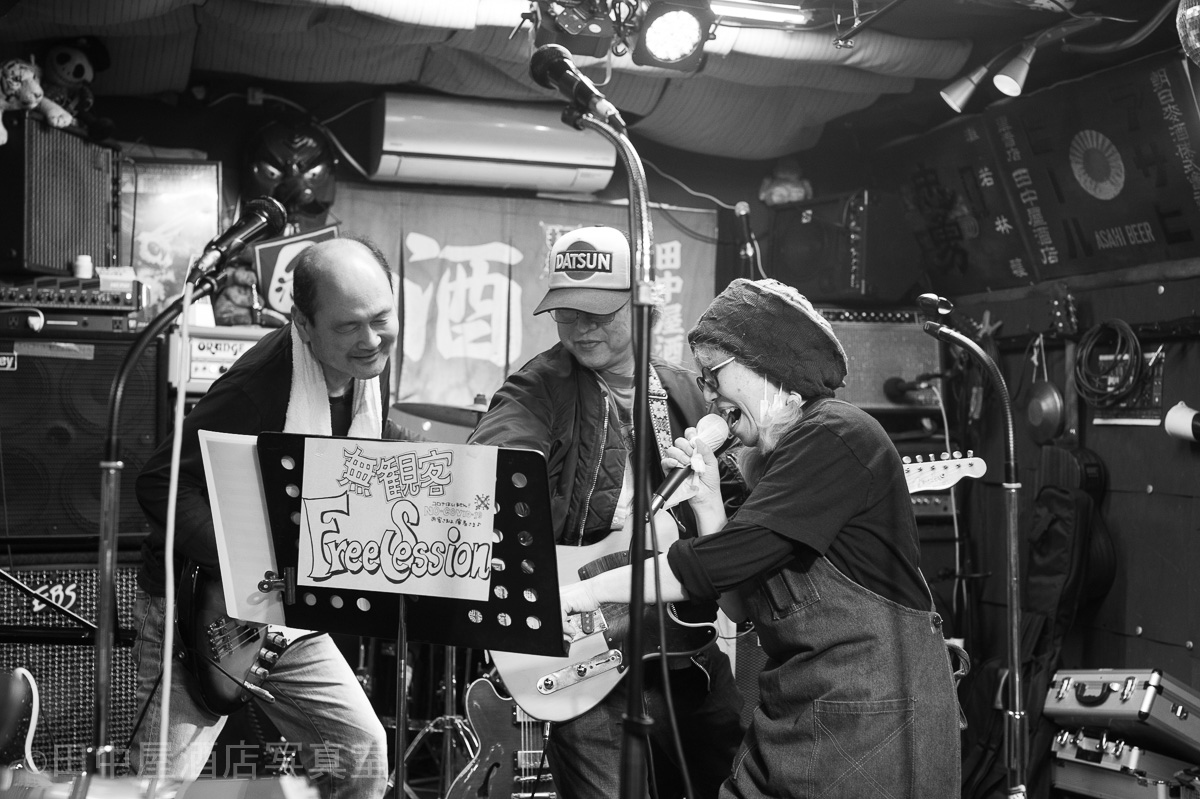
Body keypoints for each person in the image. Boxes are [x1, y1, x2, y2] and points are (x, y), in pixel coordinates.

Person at [561, 278, 965, 799]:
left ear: (769, 365)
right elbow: (737, 605)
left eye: (715, 374)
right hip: (801, 715)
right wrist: (708, 503)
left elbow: (715, 565)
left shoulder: (837, 433)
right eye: (702, 378)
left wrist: (587, 592)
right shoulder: (776, 461)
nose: (708, 393)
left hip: (872, 723)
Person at [467, 225, 747, 799]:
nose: (582, 328)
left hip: (684, 649)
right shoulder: (538, 388)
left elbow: (735, 506)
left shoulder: (683, 392)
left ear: (644, 306)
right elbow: (489, 470)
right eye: (567, 313)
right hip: (587, 652)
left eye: (599, 312)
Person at [131, 235, 398, 798]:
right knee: (159, 786)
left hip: (288, 610)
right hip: (203, 609)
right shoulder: (260, 387)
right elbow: (160, 483)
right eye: (350, 326)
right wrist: (252, 566)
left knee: (362, 753)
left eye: (381, 318)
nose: (372, 339)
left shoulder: (366, 366)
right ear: (303, 324)